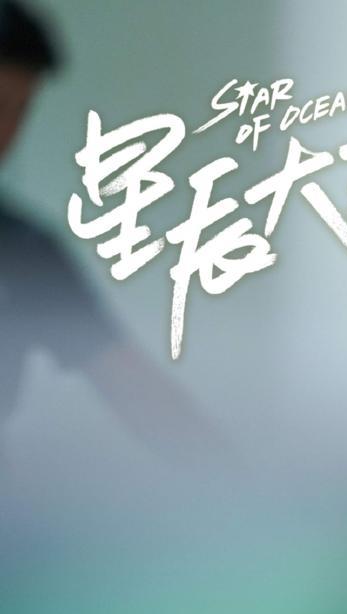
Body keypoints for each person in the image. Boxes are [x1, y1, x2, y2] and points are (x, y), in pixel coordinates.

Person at [0, 0, 231, 472]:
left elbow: (141, 395)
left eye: (20, 111)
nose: (6, 131)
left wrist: (246, 488)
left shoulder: (25, 255)